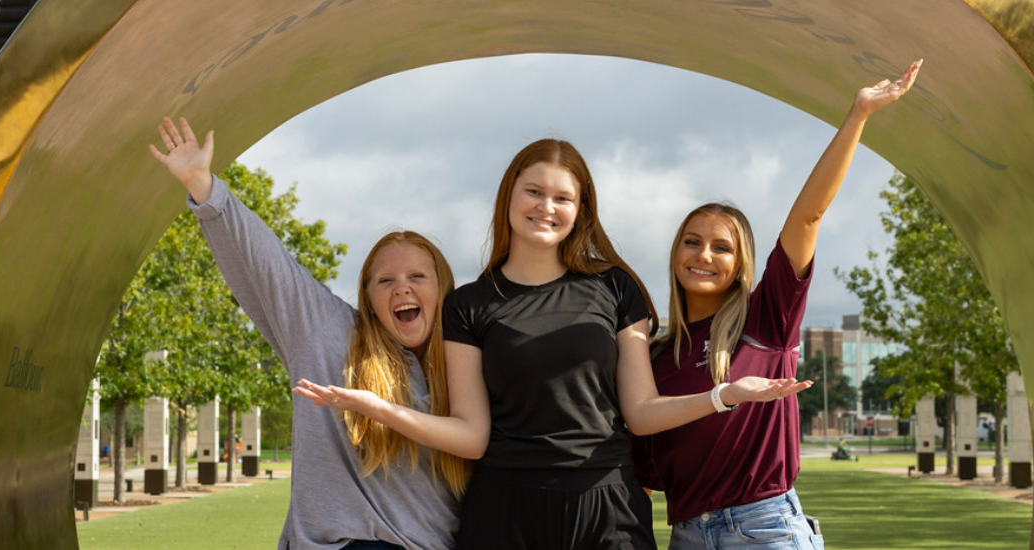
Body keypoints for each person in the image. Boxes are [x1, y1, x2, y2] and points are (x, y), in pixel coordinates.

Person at [295, 139, 810, 549]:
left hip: (606, 509)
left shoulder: (616, 288)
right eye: (534, 191)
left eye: (563, 197)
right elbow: (472, 436)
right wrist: (379, 409)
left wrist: (725, 396)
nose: (546, 207)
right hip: (504, 511)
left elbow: (642, 412)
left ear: (580, 209)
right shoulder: (469, 305)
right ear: (509, 196)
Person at [633, 59, 923, 550]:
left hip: (765, 529)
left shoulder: (768, 317)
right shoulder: (654, 358)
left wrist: (858, 114)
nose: (704, 255)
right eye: (691, 242)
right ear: (675, 252)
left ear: (740, 260)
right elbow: (642, 476)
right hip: (685, 536)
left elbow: (808, 217)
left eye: (722, 247)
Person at [150, 117, 468, 550]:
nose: (402, 288)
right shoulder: (333, 335)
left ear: (442, 287)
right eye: (385, 281)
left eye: (417, 276)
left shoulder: (465, 363)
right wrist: (207, 191)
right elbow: (272, 269)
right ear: (368, 299)